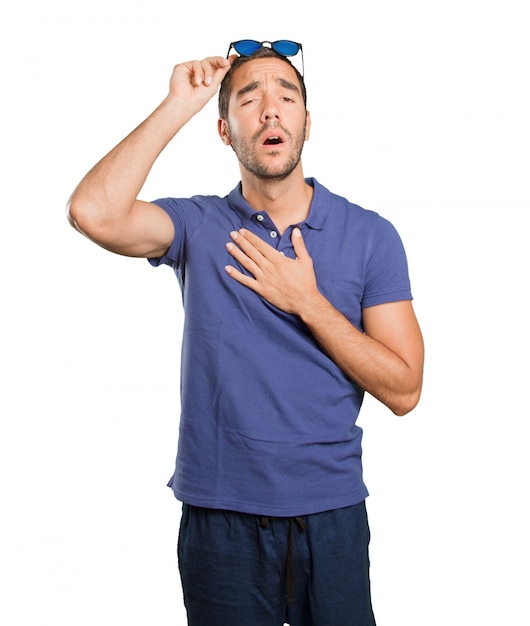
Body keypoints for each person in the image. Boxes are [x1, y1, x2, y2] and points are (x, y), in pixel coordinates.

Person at [67, 40, 424, 626]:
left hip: (331, 515)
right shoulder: (197, 225)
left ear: (307, 123)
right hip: (219, 519)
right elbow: (93, 212)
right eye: (249, 98)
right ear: (225, 130)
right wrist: (177, 103)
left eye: (287, 96)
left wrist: (307, 302)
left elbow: (405, 390)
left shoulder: (370, 235)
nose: (270, 110)